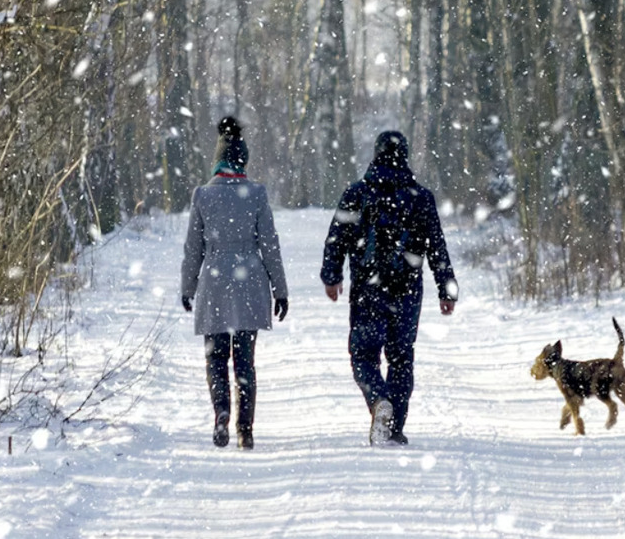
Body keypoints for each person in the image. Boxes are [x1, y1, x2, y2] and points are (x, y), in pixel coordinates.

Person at [320, 130, 457, 446]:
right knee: (401, 357)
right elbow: (436, 246)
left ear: (376, 154)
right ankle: (394, 426)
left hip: (368, 289)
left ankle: (378, 399)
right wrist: (446, 289)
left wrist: (332, 276)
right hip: (407, 290)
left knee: (363, 353)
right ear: (405, 156)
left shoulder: (357, 193)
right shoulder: (420, 198)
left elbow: (336, 238)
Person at [181, 116, 289, 450]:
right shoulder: (256, 194)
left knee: (215, 358)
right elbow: (269, 244)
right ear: (243, 159)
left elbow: (193, 248)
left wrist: (188, 287)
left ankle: (221, 414)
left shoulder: (203, 196)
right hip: (249, 283)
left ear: (217, 160)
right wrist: (279, 289)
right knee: (244, 360)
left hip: (213, 282)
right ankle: (245, 430)